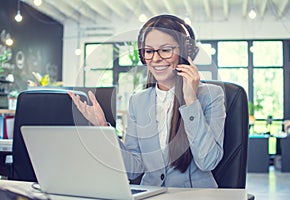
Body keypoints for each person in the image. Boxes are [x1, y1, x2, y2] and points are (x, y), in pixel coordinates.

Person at [69, 14, 226, 188]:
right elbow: (134, 169)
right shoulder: (138, 101)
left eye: (166, 50)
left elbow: (208, 161)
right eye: (149, 51)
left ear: (184, 53)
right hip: (151, 194)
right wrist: (103, 128)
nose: (156, 59)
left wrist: (191, 102)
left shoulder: (211, 95)